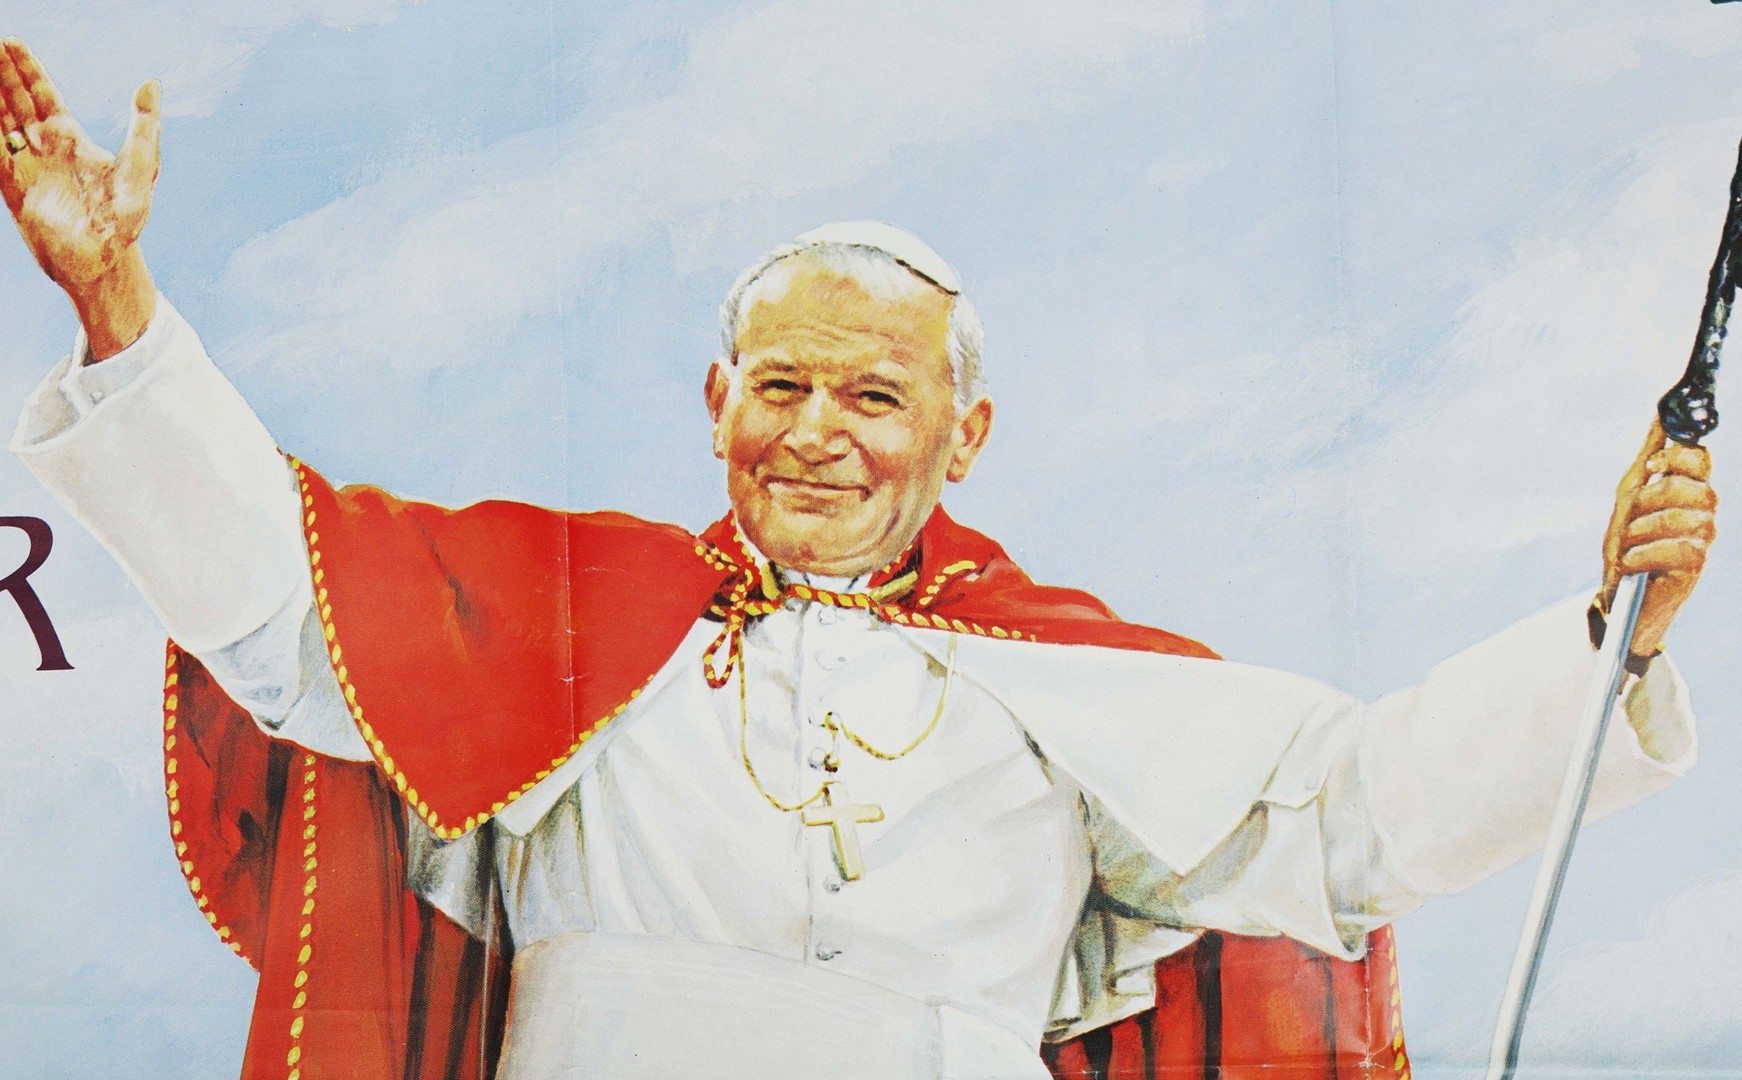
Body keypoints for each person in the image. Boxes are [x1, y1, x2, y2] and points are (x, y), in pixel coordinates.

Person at [0, 37, 1719, 1080]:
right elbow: (278, 610)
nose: (815, 432)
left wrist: (1609, 638)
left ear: (965, 436)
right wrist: (120, 309)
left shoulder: (1073, 686)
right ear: (717, 404)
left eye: (874, 396)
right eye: (780, 386)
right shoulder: (568, 626)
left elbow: (1355, 813)